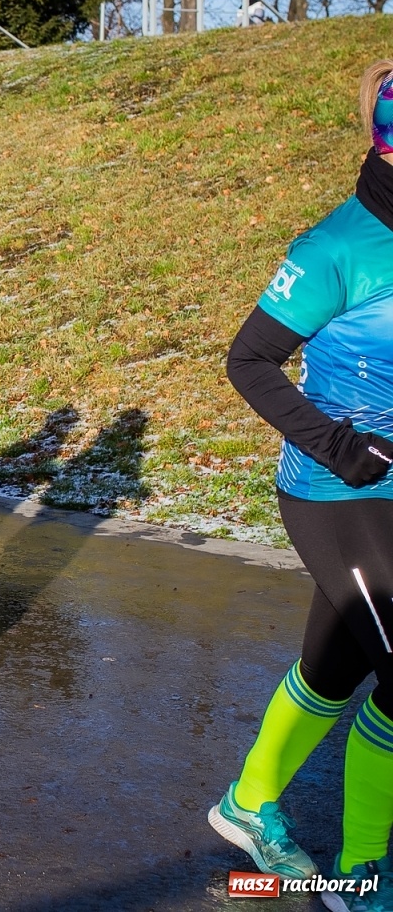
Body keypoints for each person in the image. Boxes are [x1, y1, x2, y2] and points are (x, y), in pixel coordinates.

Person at [209, 60, 393, 907]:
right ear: (384, 144)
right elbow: (248, 360)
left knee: (334, 667)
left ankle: (249, 804)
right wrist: (340, 445)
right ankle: (363, 874)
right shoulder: (336, 248)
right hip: (338, 491)